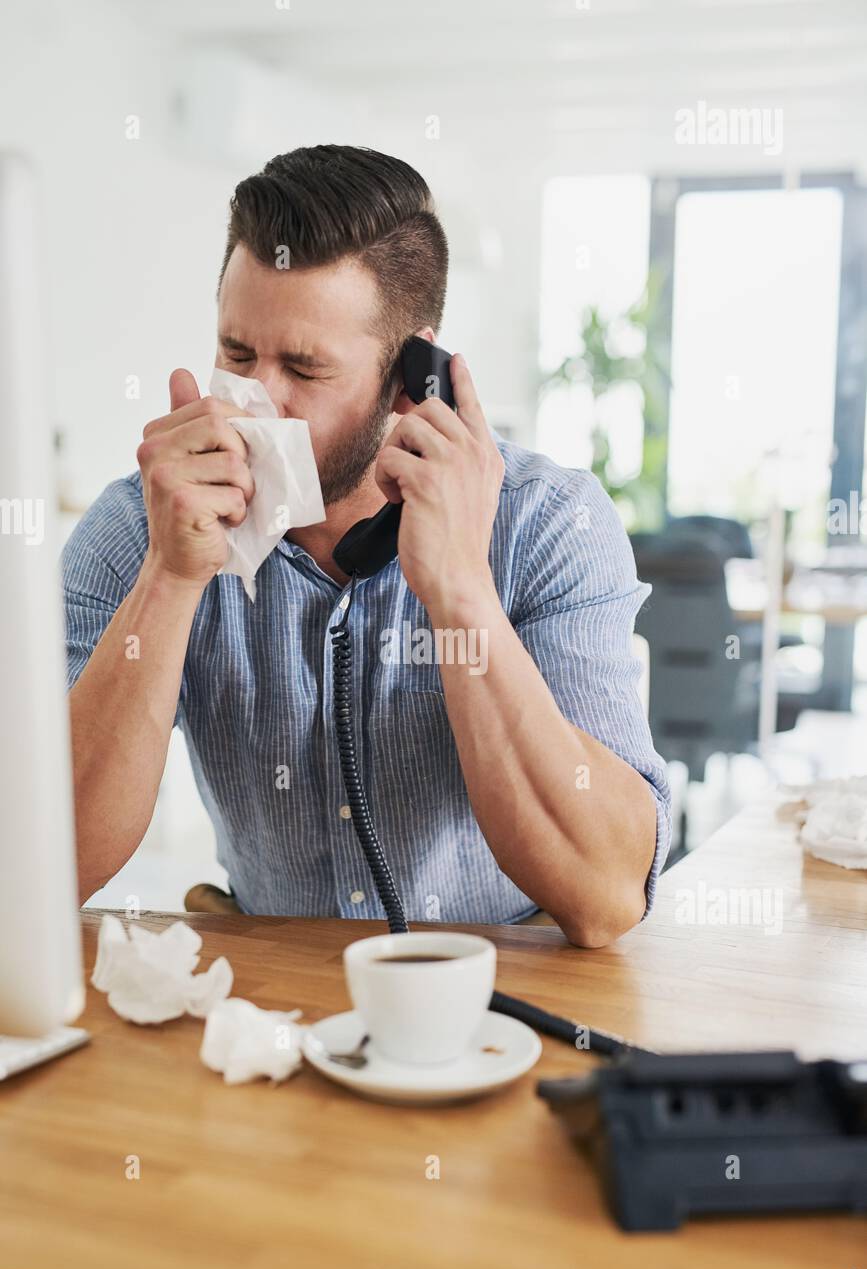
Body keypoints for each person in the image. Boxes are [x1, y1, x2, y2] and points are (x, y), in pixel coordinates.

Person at [63, 144, 670, 946]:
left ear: (406, 378)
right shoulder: (138, 527)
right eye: (237, 355)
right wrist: (170, 580)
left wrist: (459, 590)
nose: (256, 403)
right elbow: (43, 861)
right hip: (274, 997)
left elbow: (605, 896)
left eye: (305, 369)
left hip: (507, 991)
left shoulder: (549, 523)